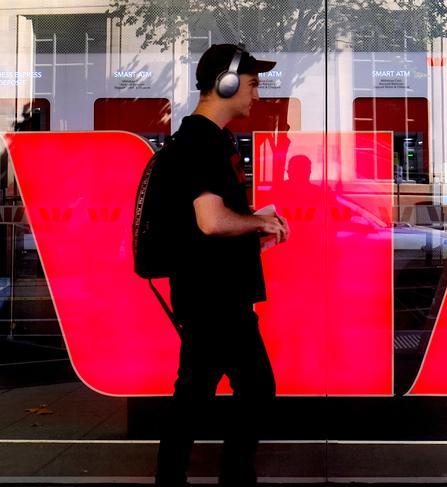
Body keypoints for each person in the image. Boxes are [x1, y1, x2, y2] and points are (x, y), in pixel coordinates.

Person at [155, 43, 289, 487]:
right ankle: (234, 478)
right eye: (252, 84)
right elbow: (211, 221)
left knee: (193, 393)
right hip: (216, 297)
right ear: (225, 84)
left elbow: (205, 226)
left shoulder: (203, 140)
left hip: (207, 289)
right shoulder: (201, 143)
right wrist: (257, 221)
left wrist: (252, 234)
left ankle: (172, 478)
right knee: (255, 389)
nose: (257, 94)